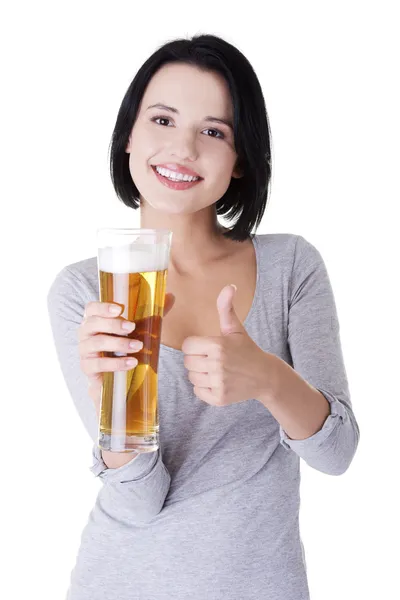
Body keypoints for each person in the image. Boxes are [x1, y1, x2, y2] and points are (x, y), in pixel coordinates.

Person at [47, 33, 360, 600]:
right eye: (162, 121)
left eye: (214, 131)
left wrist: (266, 376)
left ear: (241, 161)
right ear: (128, 138)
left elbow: (336, 454)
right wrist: (116, 396)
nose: (183, 148)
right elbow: (139, 503)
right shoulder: (83, 291)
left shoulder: (291, 266)